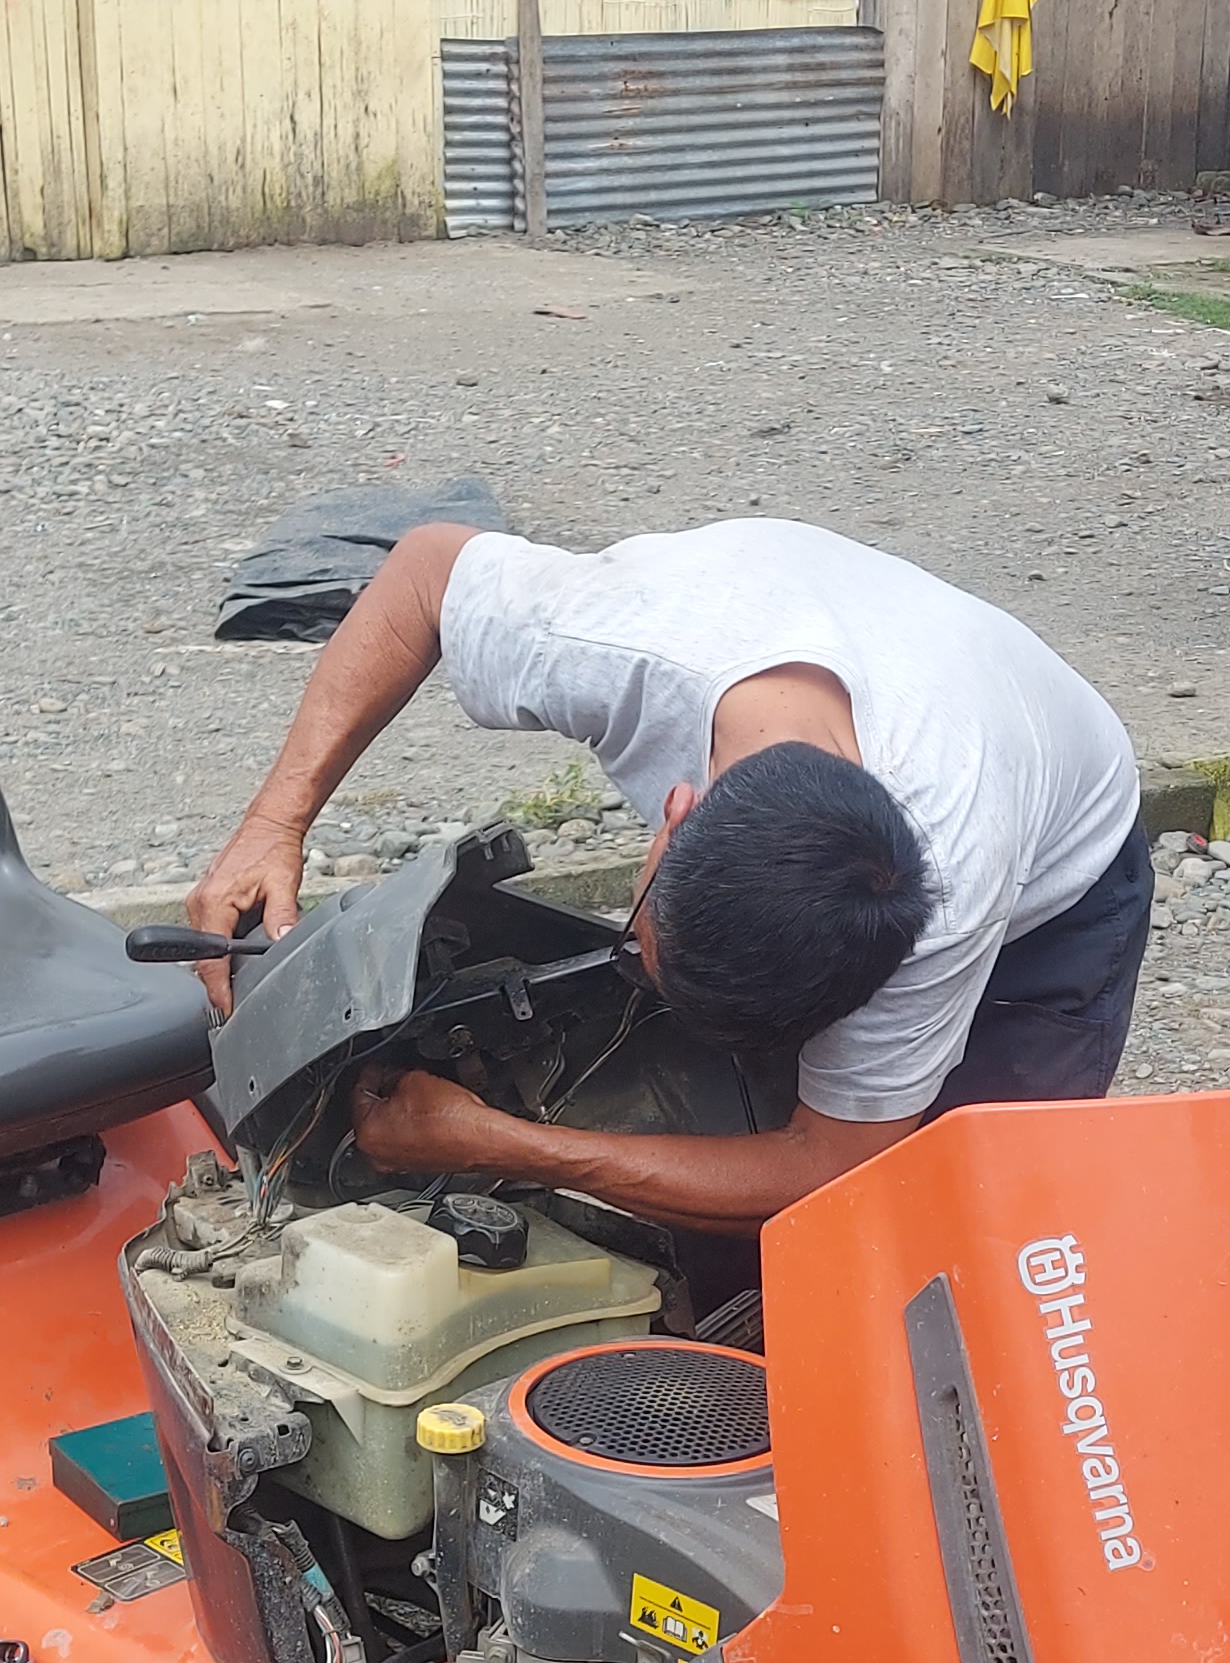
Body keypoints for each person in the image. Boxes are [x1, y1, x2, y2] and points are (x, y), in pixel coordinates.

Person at [183, 517, 1148, 1231]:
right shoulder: (629, 644)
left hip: (1058, 898)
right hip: (855, 656)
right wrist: (274, 825)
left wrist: (507, 1147)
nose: (637, 962)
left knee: (964, 1232)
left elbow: (833, 1166)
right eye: (646, 942)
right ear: (677, 812)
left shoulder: (946, 893)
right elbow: (428, 573)